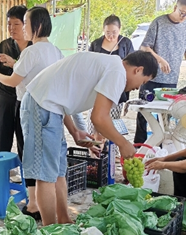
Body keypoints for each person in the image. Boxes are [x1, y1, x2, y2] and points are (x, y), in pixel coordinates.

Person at [18, 50, 158, 225]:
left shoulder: (110, 65)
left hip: (50, 108)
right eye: (143, 82)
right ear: (138, 69)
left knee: (59, 172)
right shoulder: (117, 72)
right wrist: (123, 143)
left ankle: (63, 220)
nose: (139, 87)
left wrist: (75, 132)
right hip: (40, 106)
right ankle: (50, 230)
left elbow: (60, 96)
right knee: (46, 176)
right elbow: (99, 118)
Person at [0, 6, 90, 220]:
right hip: (55, 113)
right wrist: (74, 130)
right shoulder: (56, 52)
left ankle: (47, 224)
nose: (23, 28)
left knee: (42, 175)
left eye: (25, 22)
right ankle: (64, 219)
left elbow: (13, 81)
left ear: (37, 26)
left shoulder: (31, 51)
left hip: (36, 111)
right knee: (57, 171)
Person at [134, 0, 186, 144]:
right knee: (143, 113)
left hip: (171, 80)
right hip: (150, 77)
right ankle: (139, 145)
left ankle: (163, 146)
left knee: (167, 115)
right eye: (182, 12)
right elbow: (145, 47)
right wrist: (159, 59)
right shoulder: (159, 22)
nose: (184, 16)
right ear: (175, 7)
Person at [0, 5, 31, 158]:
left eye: (16, 24)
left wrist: (13, 62)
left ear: (25, 24)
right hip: (5, 98)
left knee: (25, 140)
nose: (12, 28)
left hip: (25, 99)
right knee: (2, 139)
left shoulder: (33, 47)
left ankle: (26, 178)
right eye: (9, 24)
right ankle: (3, 175)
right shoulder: (4, 45)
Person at [87, 14, 135, 129]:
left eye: (114, 32)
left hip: (117, 88)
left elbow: (132, 66)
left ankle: (110, 145)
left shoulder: (126, 43)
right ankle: (94, 145)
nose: (111, 36)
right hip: (98, 86)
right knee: (94, 120)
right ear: (103, 30)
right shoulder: (96, 44)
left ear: (120, 29)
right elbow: (89, 64)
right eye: (108, 32)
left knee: (112, 122)